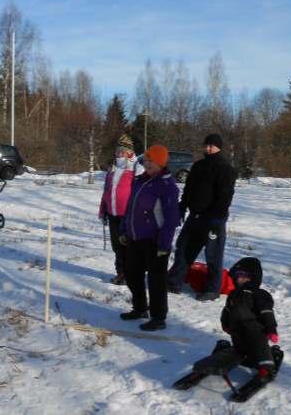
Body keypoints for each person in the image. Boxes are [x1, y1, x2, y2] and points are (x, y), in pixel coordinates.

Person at [167, 133, 238, 301]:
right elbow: (189, 190)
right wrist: (182, 207)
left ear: (219, 147)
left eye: (212, 146)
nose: (208, 148)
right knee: (183, 249)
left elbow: (225, 197)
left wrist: (217, 219)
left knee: (213, 255)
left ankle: (212, 289)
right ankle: (174, 281)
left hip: (214, 219)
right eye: (206, 145)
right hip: (195, 217)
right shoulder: (198, 166)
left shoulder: (225, 169)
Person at [119, 145, 179, 331]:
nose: (147, 164)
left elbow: (171, 218)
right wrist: (123, 229)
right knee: (131, 274)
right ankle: (139, 308)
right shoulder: (139, 180)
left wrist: (164, 244)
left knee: (156, 280)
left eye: (151, 161)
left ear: (161, 163)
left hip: (156, 241)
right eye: (146, 160)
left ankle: (158, 317)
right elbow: (130, 207)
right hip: (135, 237)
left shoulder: (167, 186)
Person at [221, 257, 283, 385]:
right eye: (238, 275)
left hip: (255, 328)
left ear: (253, 277)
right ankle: (241, 355)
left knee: (259, 346)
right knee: (239, 345)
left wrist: (271, 329)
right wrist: (225, 324)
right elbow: (227, 310)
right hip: (236, 328)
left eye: (244, 276)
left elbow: (266, 311)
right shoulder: (233, 294)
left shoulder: (259, 293)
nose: (240, 279)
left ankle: (266, 368)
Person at [99, 134, 140, 285]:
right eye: (117, 151)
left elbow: (140, 192)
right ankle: (121, 273)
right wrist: (102, 210)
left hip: (128, 216)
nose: (119, 154)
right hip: (112, 214)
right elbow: (106, 192)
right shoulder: (112, 169)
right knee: (117, 246)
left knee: (127, 246)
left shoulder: (137, 168)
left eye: (122, 151)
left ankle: (130, 274)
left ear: (129, 152)